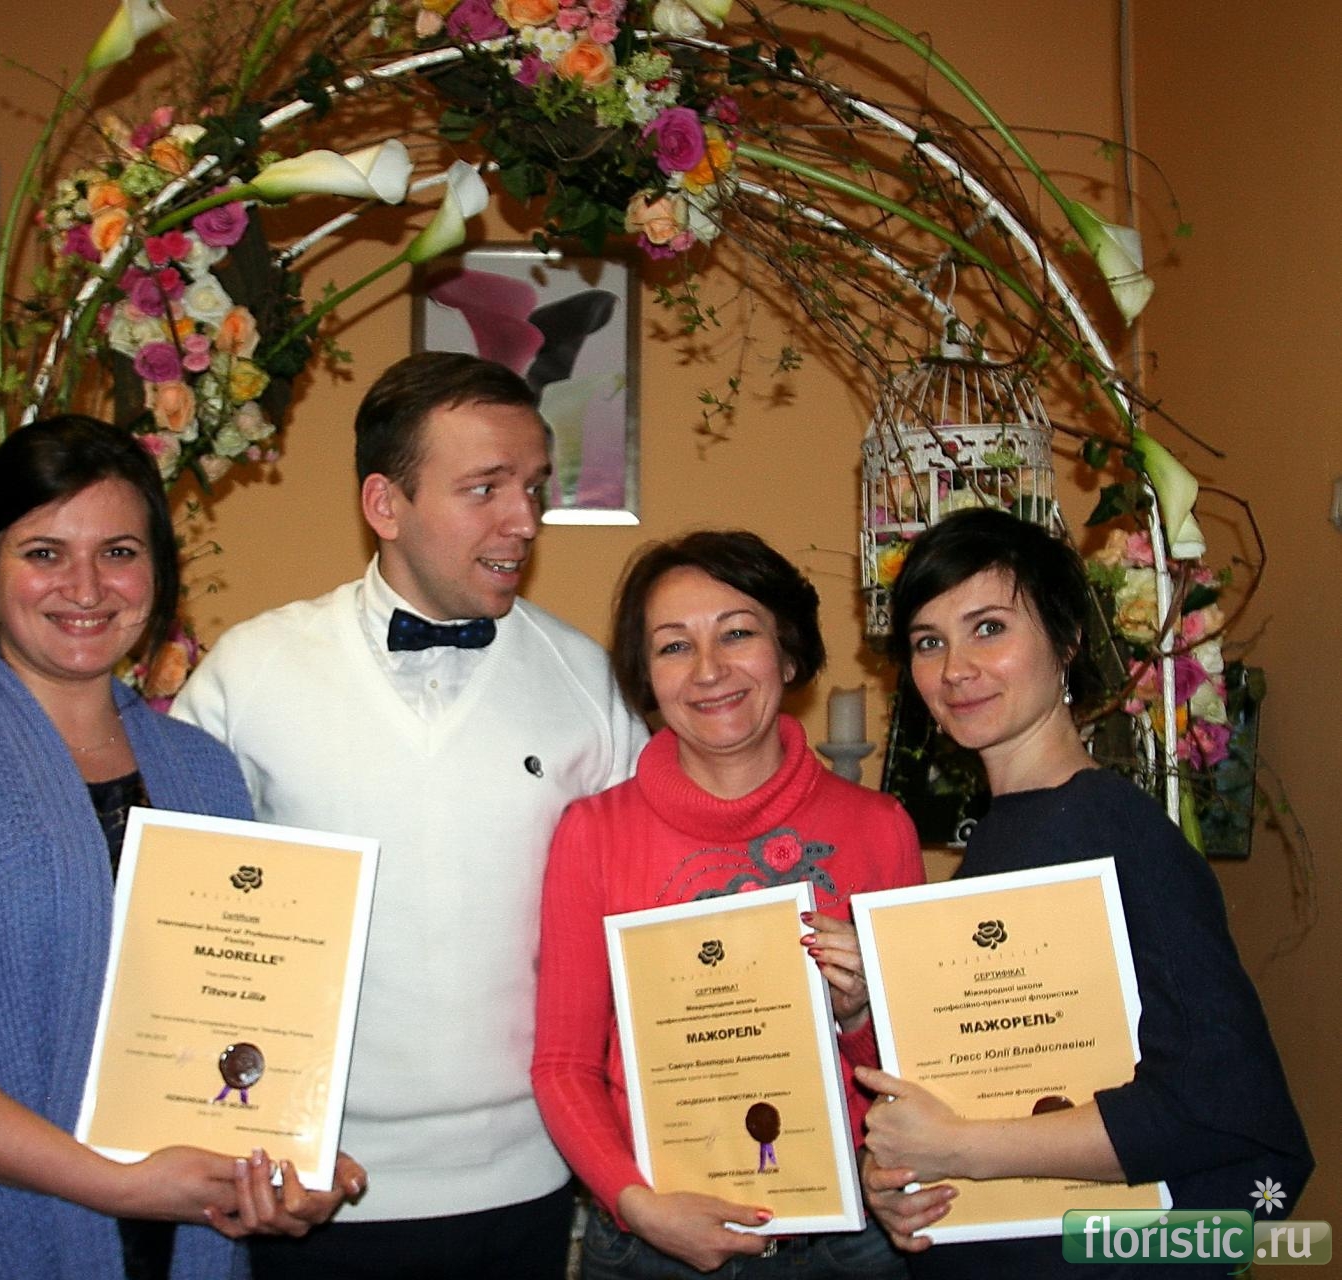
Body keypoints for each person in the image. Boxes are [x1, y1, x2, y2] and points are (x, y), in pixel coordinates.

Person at [0, 417, 362, 1280]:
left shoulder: (201, 769)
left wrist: (281, 1155)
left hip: (177, 1244)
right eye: (44, 552)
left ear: (157, 573)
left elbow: (232, 1009)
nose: (86, 586)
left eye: (118, 552)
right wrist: (114, 1184)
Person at [172, 352, 646, 1279]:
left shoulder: (587, 681)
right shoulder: (249, 673)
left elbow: (645, 912)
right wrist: (239, 1138)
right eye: (485, 488)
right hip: (310, 1189)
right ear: (385, 504)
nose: (525, 519)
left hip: (529, 1183)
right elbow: (180, 931)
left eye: (533, 487)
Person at [858, 506, 1312, 1279]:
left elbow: (1221, 1105)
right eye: (929, 642)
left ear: (1067, 639)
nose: (955, 668)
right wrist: (903, 1180)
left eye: (989, 628)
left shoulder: (1116, 831)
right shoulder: (1003, 836)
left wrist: (963, 1147)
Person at [532, 529, 925, 1279]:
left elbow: (919, 1069)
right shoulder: (594, 834)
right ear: (647, 677)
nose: (709, 670)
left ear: (788, 653)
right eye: (674, 646)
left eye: (737, 633)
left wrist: (857, 1015)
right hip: (651, 1245)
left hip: (846, 1244)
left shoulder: (878, 830)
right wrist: (634, 1202)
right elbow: (563, 1065)